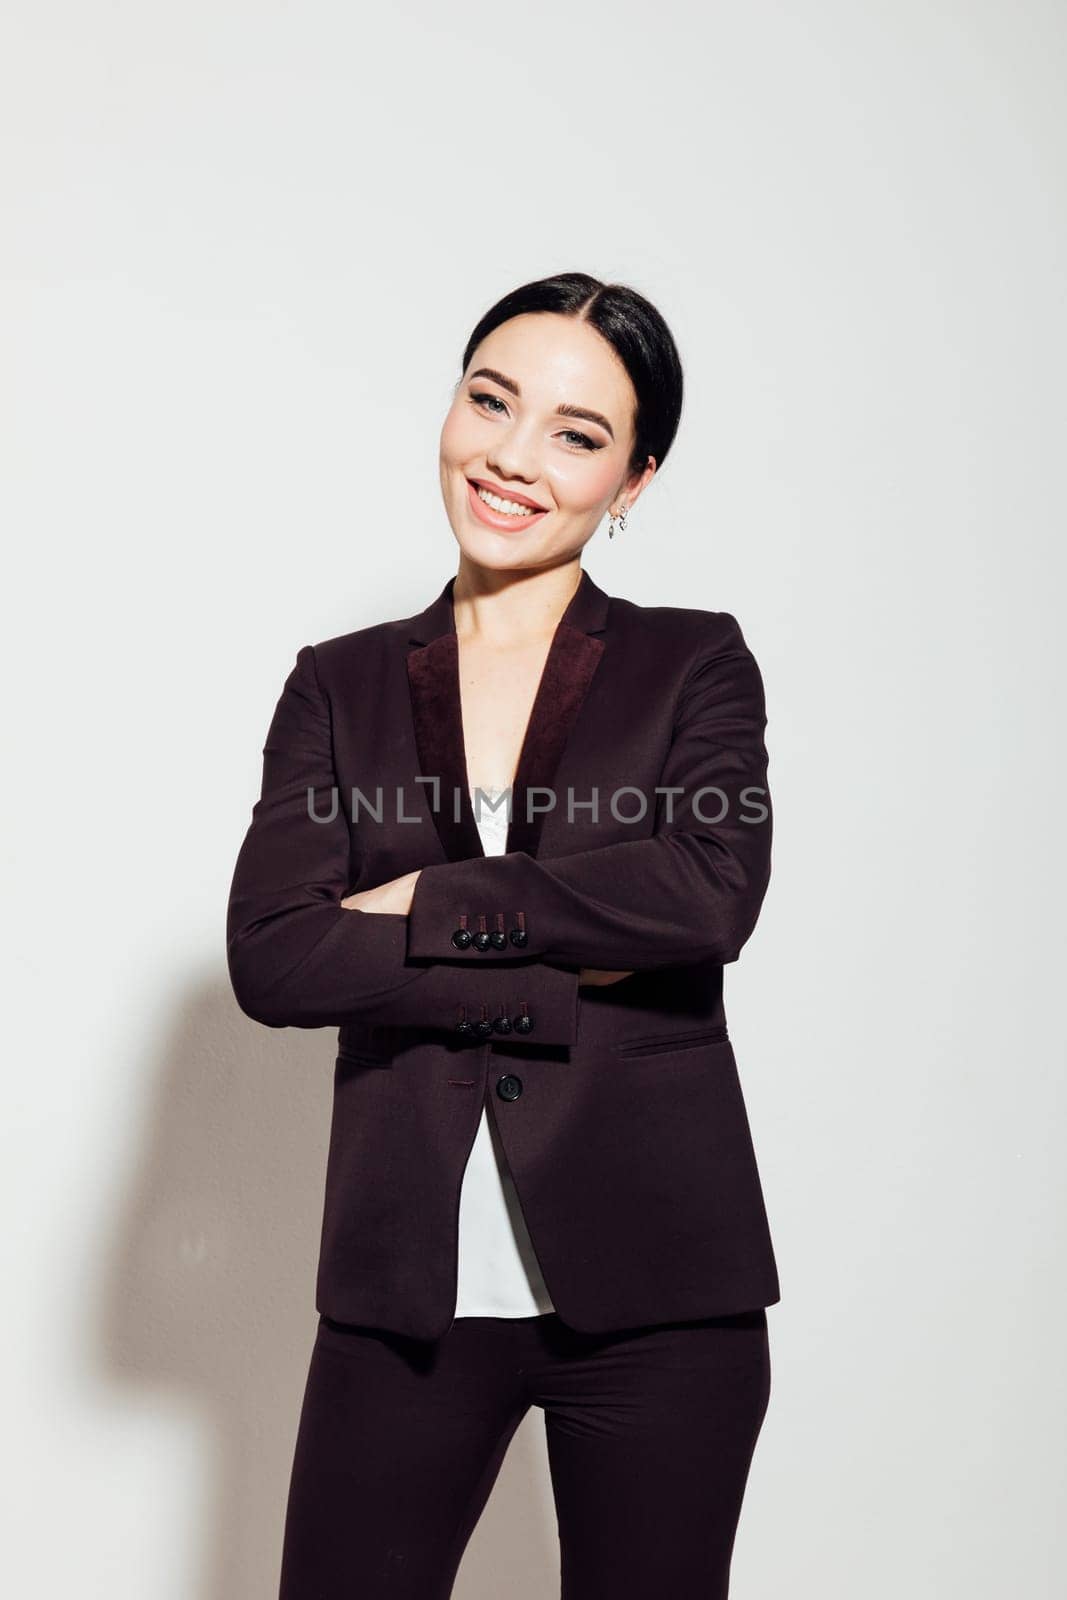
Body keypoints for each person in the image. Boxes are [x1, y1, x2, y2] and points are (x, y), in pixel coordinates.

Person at [226, 271, 780, 1598]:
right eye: (493, 401)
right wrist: (560, 969)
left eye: (577, 435)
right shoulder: (340, 683)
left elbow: (709, 897)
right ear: (455, 405)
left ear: (635, 478)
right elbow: (278, 957)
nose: (514, 458)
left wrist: (422, 901)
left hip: (662, 1295)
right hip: (403, 1296)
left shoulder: (692, 664)